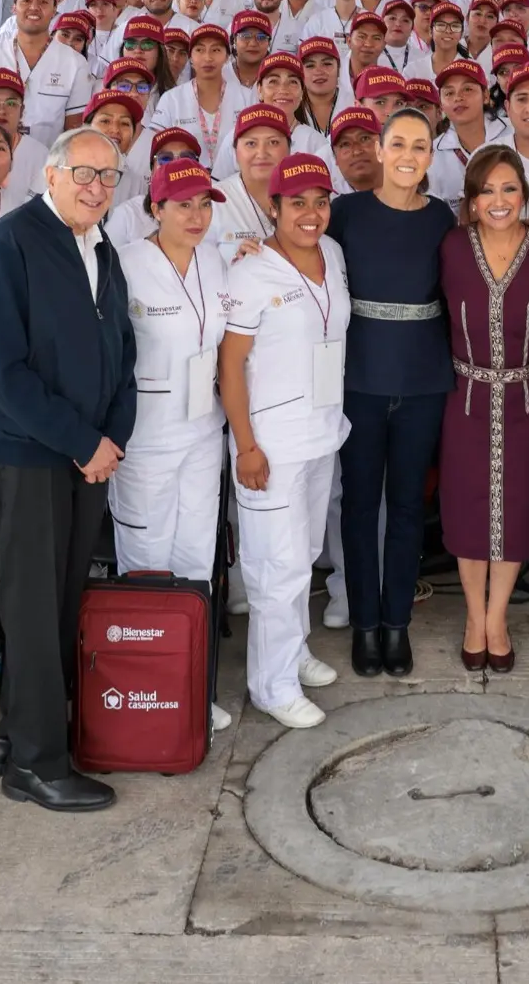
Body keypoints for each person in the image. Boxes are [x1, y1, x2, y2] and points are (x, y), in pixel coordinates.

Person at [0, 126, 139, 810]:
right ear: (53, 173)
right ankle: (37, 764)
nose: (96, 187)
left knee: (60, 603)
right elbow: (2, 369)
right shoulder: (14, 242)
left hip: (86, 457)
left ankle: (17, 731)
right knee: (34, 611)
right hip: (31, 456)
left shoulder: (102, 246)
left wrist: (111, 439)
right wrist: (81, 439)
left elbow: (123, 351)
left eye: (109, 176)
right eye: (85, 173)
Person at [219, 154, 352, 729]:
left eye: (320, 202)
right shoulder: (250, 271)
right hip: (269, 444)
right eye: (296, 202)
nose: (311, 213)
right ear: (271, 208)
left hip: (321, 433)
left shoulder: (335, 254)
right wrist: (246, 444)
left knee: (302, 559)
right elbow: (230, 366)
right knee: (276, 566)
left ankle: (292, 652)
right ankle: (270, 686)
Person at [323, 109, 455, 677]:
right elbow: (306, 265)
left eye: (419, 146)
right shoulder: (345, 213)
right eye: (397, 143)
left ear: (430, 156)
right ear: (378, 151)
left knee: (406, 506)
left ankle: (397, 621)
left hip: (422, 380)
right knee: (358, 505)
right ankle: (363, 620)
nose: (407, 154)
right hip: (359, 379)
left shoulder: (442, 217)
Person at [107, 159, 235, 733]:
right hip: (145, 437)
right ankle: (141, 691)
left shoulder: (217, 258)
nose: (196, 216)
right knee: (146, 559)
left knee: (194, 559)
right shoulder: (124, 264)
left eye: (204, 205)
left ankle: (191, 689)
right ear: (154, 209)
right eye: (182, 205)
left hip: (203, 430)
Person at [439, 146, 529, 673]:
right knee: (468, 510)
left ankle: (498, 617)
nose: (499, 199)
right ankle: (472, 617)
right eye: (487, 189)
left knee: (518, 509)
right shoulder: (450, 247)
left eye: (509, 188)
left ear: (525, 195)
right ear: (470, 199)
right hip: (464, 396)